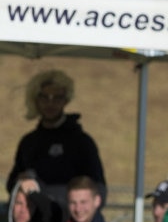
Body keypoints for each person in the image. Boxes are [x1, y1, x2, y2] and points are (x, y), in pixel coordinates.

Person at [6, 70, 107, 213]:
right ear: (36, 100)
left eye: (57, 98)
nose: (50, 103)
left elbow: (99, 190)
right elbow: (12, 184)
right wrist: (21, 182)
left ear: (66, 100)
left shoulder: (81, 142)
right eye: (44, 97)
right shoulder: (29, 142)